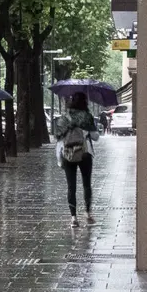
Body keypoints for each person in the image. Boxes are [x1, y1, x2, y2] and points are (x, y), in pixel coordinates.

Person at [55, 92, 100, 228]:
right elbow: (96, 137)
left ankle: (73, 218)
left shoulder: (64, 118)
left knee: (71, 186)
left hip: (68, 154)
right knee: (86, 184)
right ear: (84, 102)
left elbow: (58, 137)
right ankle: (88, 213)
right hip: (85, 153)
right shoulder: (87, 117)